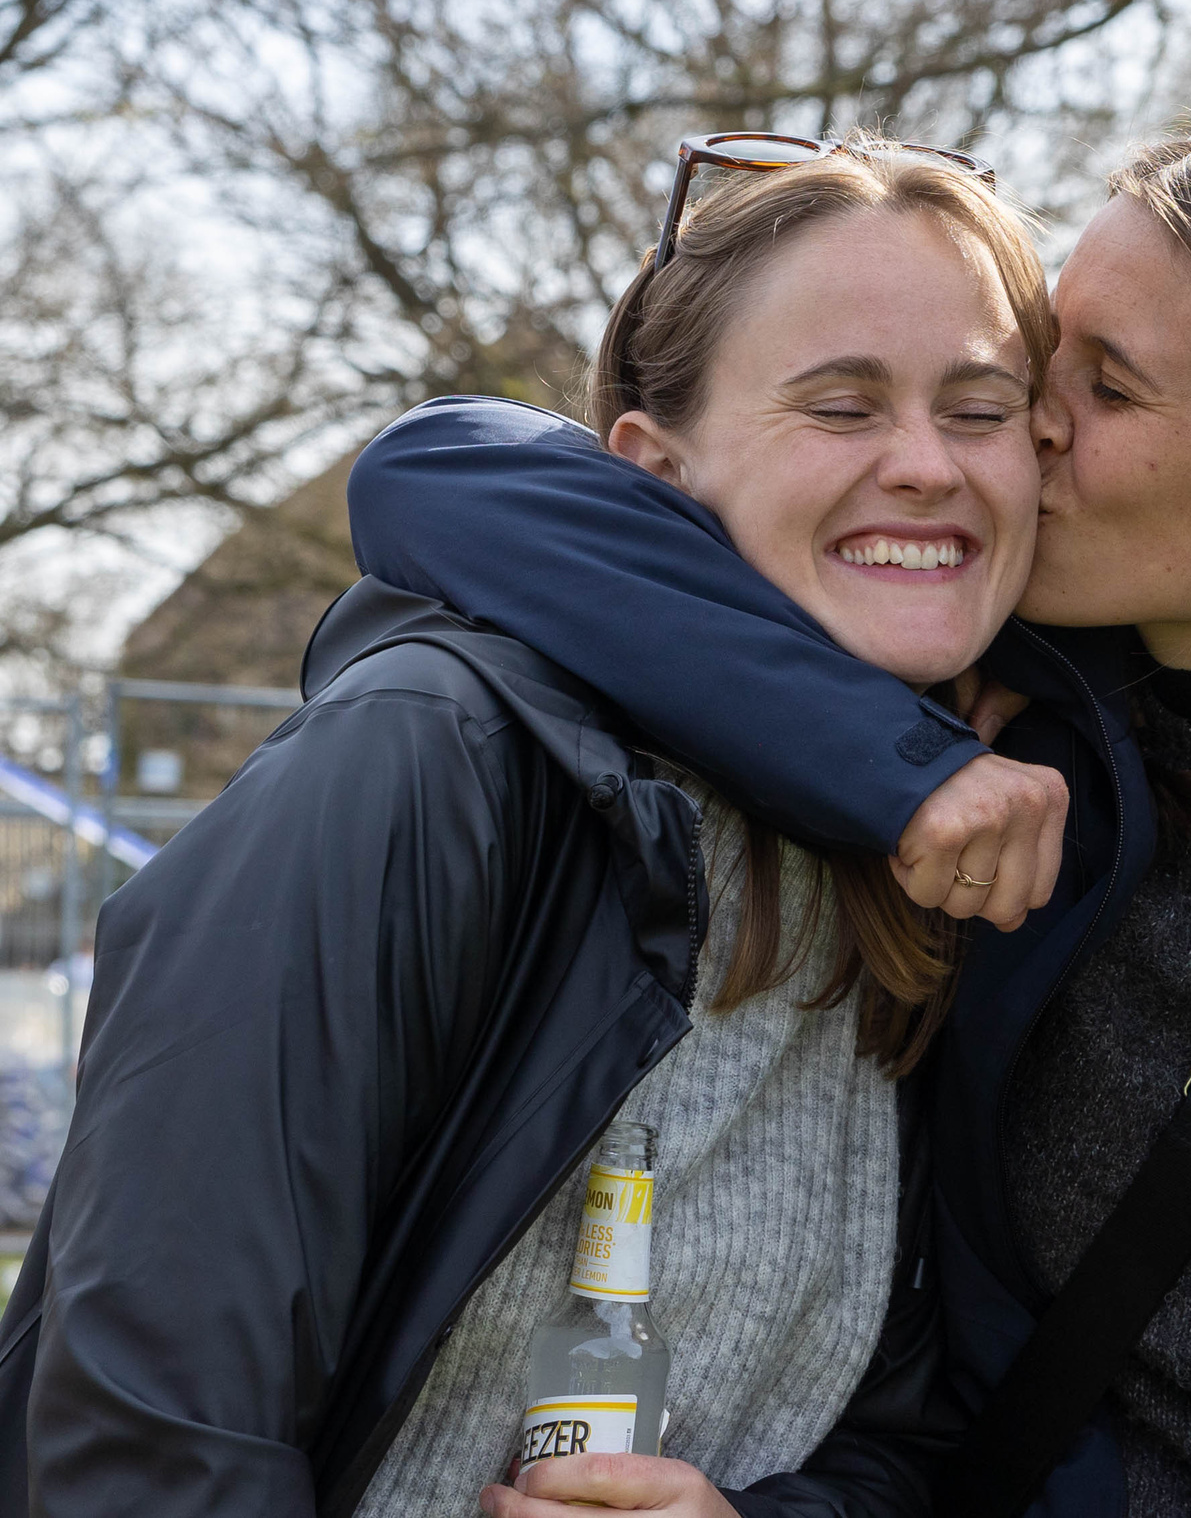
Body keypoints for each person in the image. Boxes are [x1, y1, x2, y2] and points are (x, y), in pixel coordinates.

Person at [346, 95, 1191, 1516]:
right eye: (1044, 353)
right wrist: (890, 755)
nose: (1020, 423)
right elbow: (434, 474)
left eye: (1107, 390)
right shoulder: (978, 700)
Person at [0, 135, 1058, 1518]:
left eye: (980, 410)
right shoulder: (431, 763)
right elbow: (152, 1424)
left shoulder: (956, 859)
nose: (926, 464)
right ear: (652, 468)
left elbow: (906, 1433)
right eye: (841, 407)